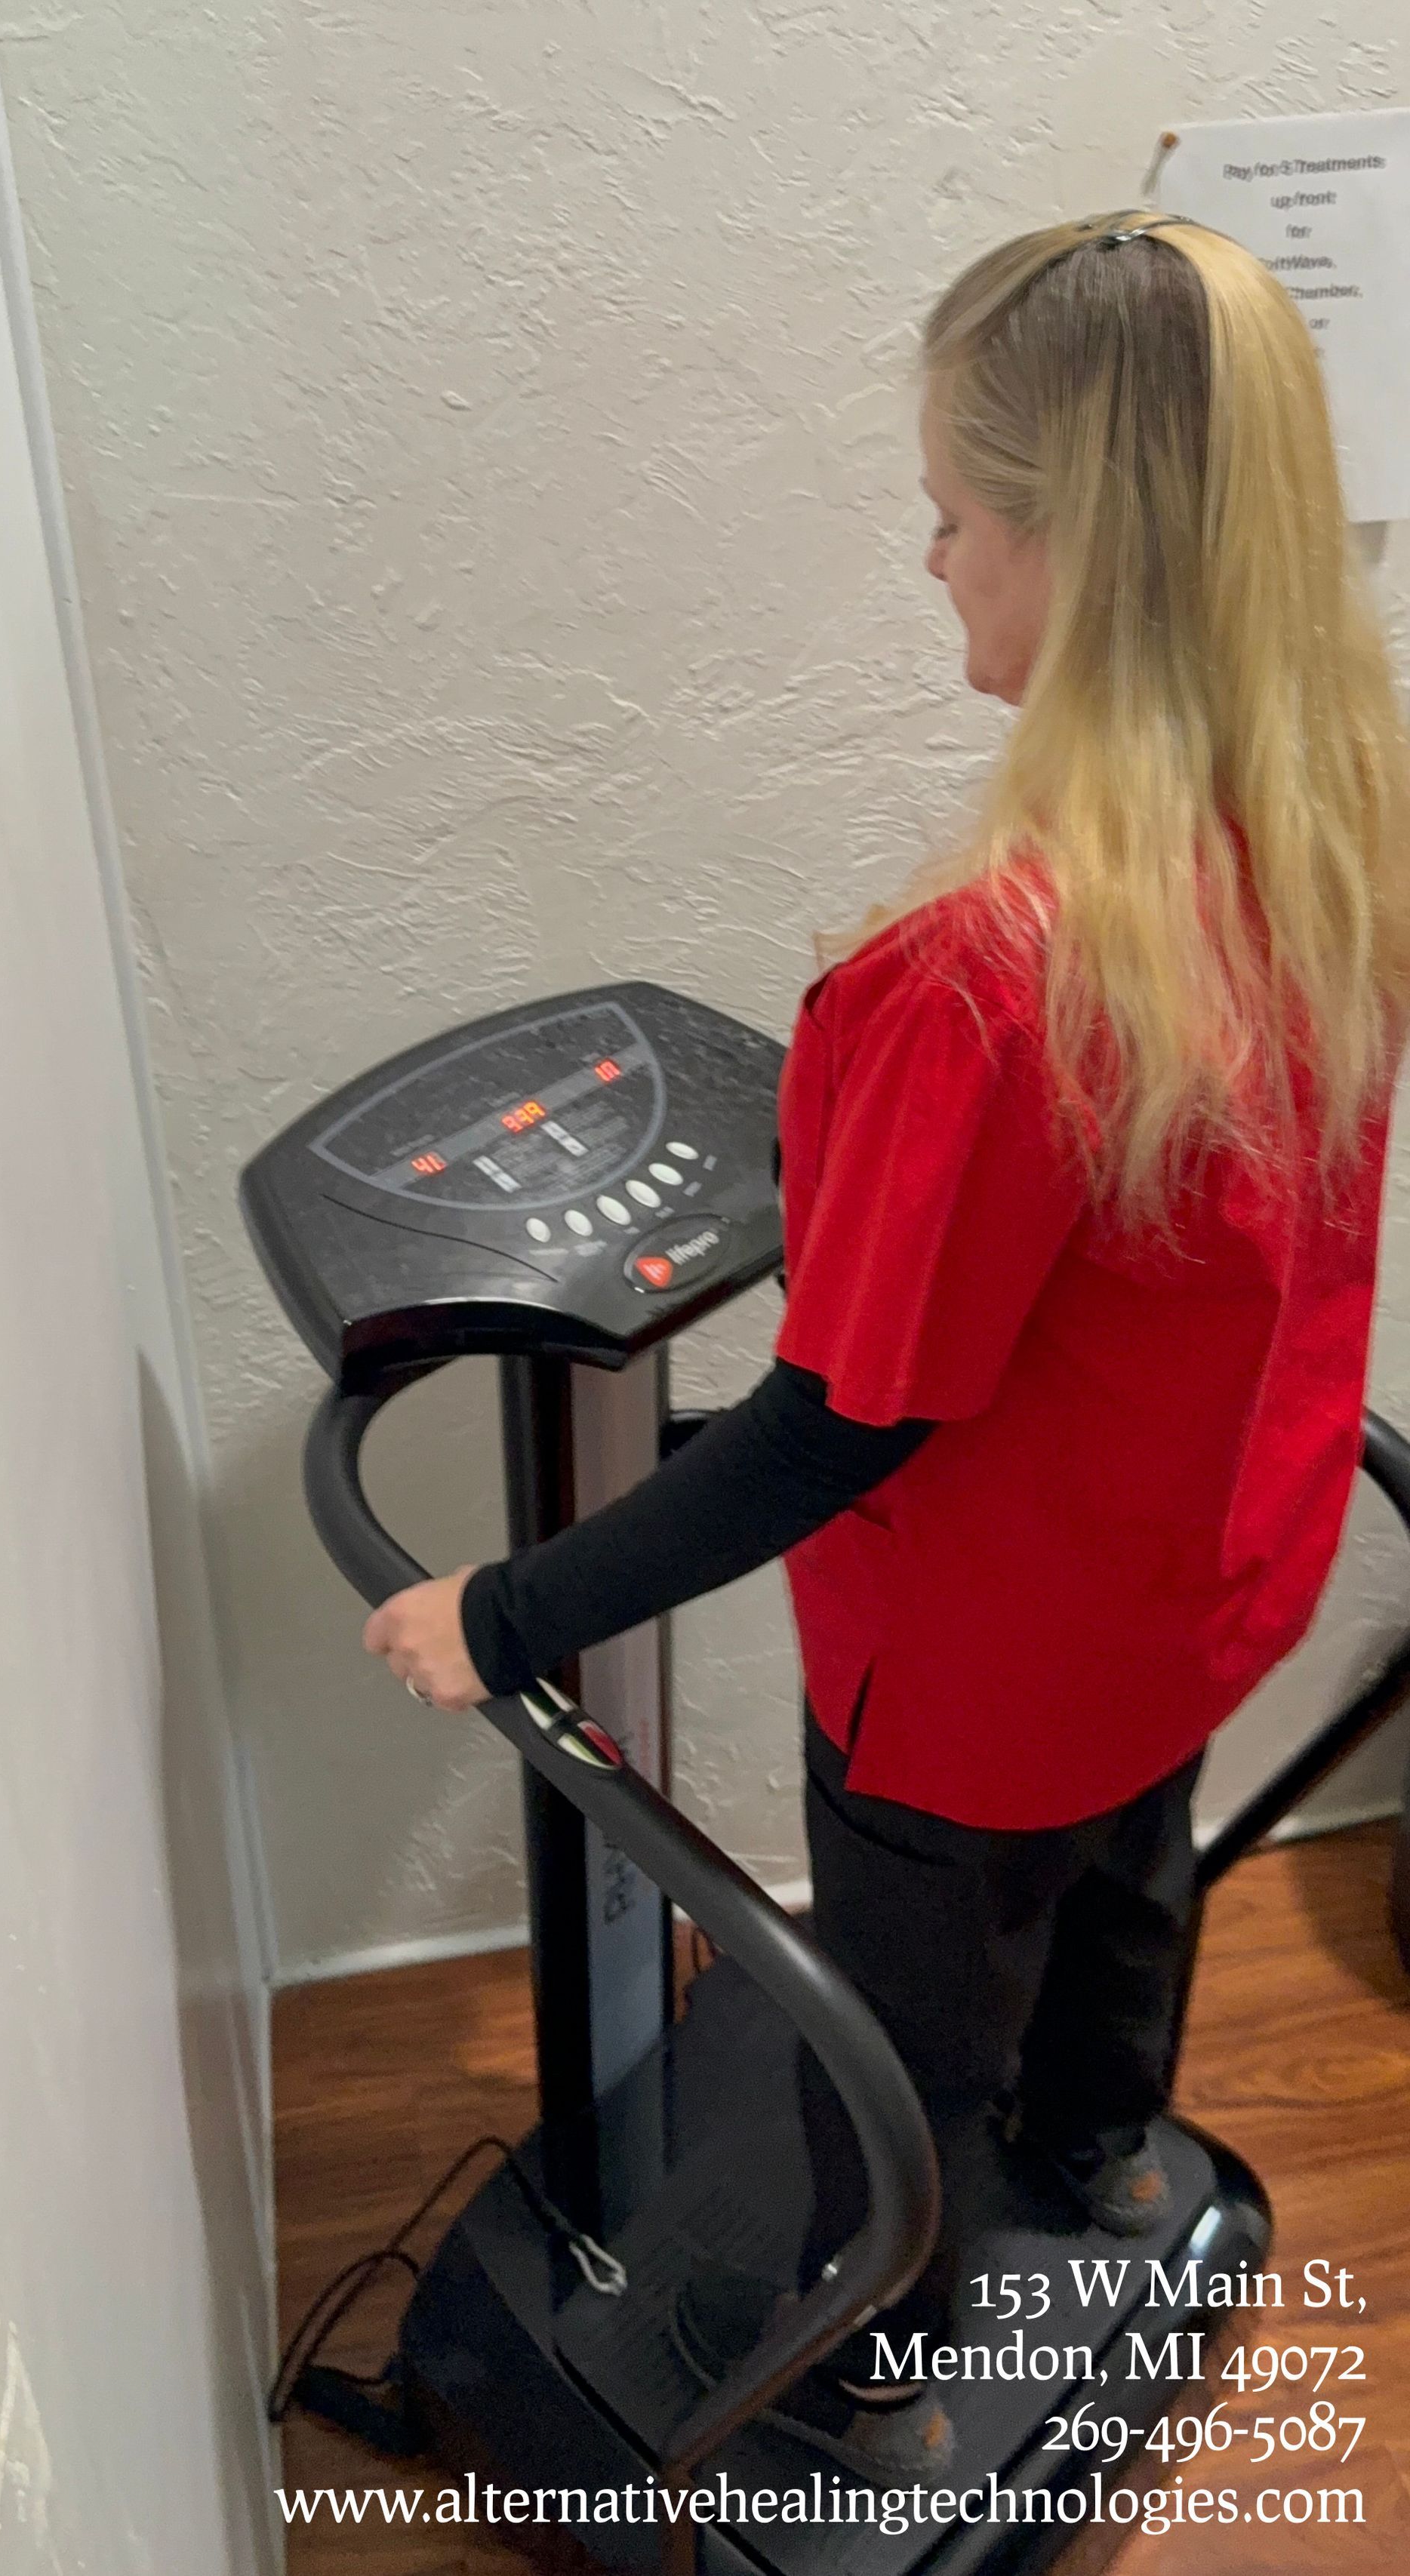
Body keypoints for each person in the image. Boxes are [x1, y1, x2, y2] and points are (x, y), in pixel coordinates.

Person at [362, 211, 1410, 2479]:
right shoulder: (1330, 840)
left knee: (901, 2029)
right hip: (1210, 1580)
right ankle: (1111, 2160)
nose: (930, 555)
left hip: (970, 1671)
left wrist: (502, 1610)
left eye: (953, 509)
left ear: (1076, 552)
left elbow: (846, 1425)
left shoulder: (984, 980)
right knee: (1131, 1872)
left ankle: (881, 2394)